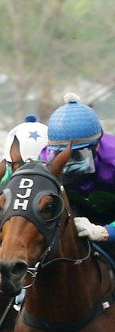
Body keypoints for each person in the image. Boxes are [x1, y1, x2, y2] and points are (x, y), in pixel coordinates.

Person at [37, 94, 115, 246]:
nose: (68, 162)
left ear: (96, 146)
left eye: (76, 154)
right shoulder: (44, 160)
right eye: (61, 154)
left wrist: (108, 232)